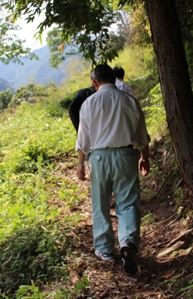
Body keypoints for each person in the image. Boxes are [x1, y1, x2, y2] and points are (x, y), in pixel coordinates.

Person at [75, 64, 150, 274]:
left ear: (94, 82)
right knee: (128, 203)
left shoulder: (89, 103)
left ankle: (105, 249)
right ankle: (127, 243)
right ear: (114, 78)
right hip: (126, 155)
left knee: (101, 203)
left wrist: (80, 164)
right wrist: (145, 157)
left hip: (99, 157)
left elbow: (83, 139)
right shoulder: (129, 100)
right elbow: (141, 133)